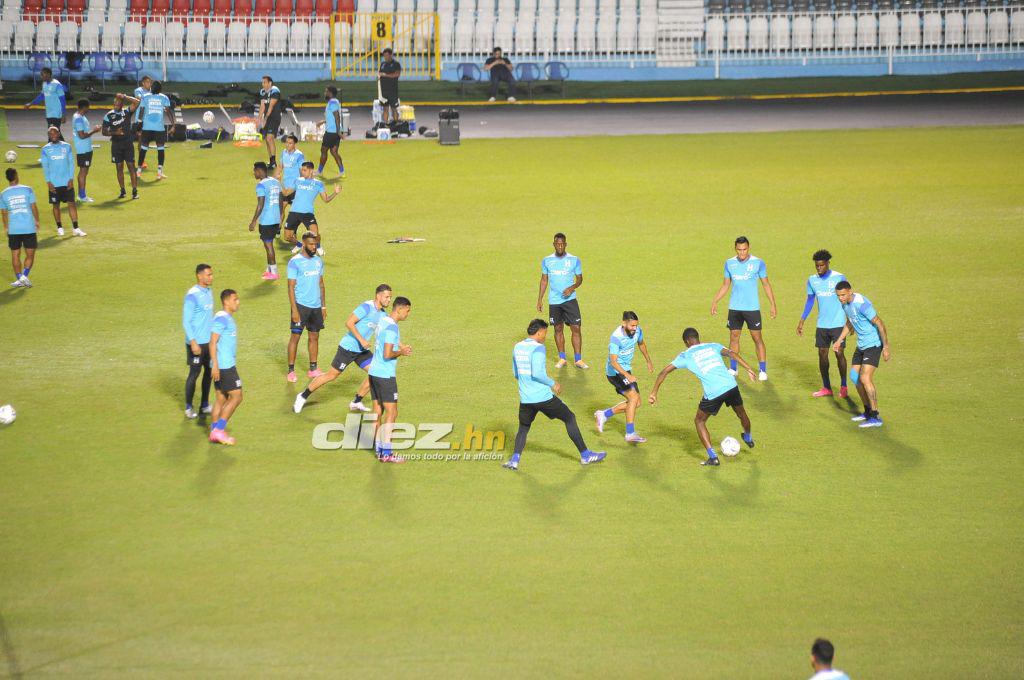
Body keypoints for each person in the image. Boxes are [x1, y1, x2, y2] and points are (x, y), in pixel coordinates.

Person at [504, 319, 606, 471]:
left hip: (526, 398)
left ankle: (514, 460)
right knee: (569, 417)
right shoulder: (538, 348)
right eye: (545, 333)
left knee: (524, 428)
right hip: (543, 397)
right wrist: (553, 384)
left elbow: (516, 373)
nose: (545, 336)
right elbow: (537, 373)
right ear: (539, 332)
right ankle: (585, 455)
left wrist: (527, 386)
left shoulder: (517, 347)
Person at [648, 327, 757, 466]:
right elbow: (732, 354)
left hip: (713, 392)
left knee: (699, 421)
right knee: (742, 413)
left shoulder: (685, 355)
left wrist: (653, 393)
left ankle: (713, 457)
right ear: (698, 337)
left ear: (687, 341)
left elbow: (663, 372)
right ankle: (748, 437)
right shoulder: (713, 345)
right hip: (730, 385)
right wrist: (748, 368)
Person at [294, 284, 391, 414]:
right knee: (331, 375)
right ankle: (302, 396)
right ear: (378, 295)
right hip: (348, 348)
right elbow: (349, 323)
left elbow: (389, 331)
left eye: (390, 297)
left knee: (376, 372)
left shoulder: (383, 314)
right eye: (387, 297)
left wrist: (401, 347)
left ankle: (356, 402)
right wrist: (362, 340)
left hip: (361, 351)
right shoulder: (366, 307)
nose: (389, 300)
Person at [711, 236, 777, 381]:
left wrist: (773, 304)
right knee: (734, 337)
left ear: (749, 248)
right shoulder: (729, 263)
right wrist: (715, 301)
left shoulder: (758, 263)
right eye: (739, 250)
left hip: (752, 308)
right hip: (735, 308)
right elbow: (725, 285)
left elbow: (766, 284)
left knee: (757, 337)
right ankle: (733, 368)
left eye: (745, 249)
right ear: (735, 249)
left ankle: (762, 370)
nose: (742, 253)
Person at [833, 281, 890, 428]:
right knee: (854, 377)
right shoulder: (844, 304)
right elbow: (850, 322)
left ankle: (876, 416)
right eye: (838, 295)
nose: (841, 298)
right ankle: (867, 411)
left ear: (850, 292)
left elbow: (879, 322)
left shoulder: (861, 303)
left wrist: (886, 346)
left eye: (843, 295)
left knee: (865, 378)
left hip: (873, 344)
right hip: (862, 345)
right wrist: (839, 340)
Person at [596, 311, 654, 443]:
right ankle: (630, 433)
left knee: (636, 403)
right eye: (632, 326)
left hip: (626, 370)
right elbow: (613, 362)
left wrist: (648, 360)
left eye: (636, 325)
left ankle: (604, 414)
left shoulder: (638, 331)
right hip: (615, 372)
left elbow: (641, 343)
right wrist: (628, 375)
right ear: (623, 323)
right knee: (633, 397)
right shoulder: (616, 338)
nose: (634, 328)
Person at [797, 249, 849, 398]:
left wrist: (850, 321)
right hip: (822, 325)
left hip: (838, 323)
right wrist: (802, 320)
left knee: (839, 353)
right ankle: (827, 387)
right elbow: (810, 300)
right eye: (817, 266)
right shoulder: (812, 280)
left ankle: (843, 386)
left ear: (827, 263)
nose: (819, 268)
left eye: (821, 265)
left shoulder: (839, 277)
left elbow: (847, 299)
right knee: (822, 354)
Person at [368, 296, 413, 463]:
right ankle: (387, 453)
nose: (408, 314)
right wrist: (401, 352)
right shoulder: (393, 327)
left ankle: (379, 449)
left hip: (373, 372)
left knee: (378, 411)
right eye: (407, 310)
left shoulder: (384, 320)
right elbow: (387, 354)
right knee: (392, 413)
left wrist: (400, 346)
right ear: (399, 309)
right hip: (385, 375)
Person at [537, 232, 586, 369]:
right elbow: (544, 280)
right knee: (558, 328)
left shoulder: (574, 259)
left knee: (576, 328)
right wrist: (540, 299)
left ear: (565, 244)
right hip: (554, 301)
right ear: (554, 244)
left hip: (570, 300)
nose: (559, 246)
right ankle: (562, 358)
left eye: (562, 244)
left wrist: (572, 287)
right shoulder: (546, 260)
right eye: (557, 244)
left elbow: (580, 279)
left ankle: (578, 360)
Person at [286, 232, 326, 383]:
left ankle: (313, 369)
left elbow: (321, 284)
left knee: (314, 337)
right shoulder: (294, 262)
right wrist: (294, 310)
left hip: (316, 306)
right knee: (295, 337)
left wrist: (323, 307)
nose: (313, 246)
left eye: (315, 244)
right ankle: (291, 370)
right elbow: (290, 287)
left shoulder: (318, 261)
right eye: (310, 244)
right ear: (303, 244)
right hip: (301, 306)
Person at [209, 289, 243, 445]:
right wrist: (215, 365)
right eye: (235, 299)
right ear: (226, 301)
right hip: (224, 366)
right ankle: (219, 430)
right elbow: (212, 341)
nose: (238, 302)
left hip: (221, 365)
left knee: (221, 398)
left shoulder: (223, 317)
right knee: (237, 396)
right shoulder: (222, 319)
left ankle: (213, 432)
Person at [284, 162, 339, 255]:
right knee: (287, 237)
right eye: (302, 170)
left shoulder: (318, 184)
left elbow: (326, 199)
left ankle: (318, 246)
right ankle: (299, 244)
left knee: (315, 234)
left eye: (304, 170)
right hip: (294, 212)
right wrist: (278, 182)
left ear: (311, 170)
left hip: (307, 213)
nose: (302, 172)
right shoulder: (298, 180)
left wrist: (335, 193)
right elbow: (286, 193)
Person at [182, 263, 215, 419]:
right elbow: (186, 321)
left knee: (208, 373)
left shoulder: (209, 292)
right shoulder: (192, 295)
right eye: (208, 274)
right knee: (194, 374)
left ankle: (204, 405)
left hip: (208, 343)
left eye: (211, 274)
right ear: (199, 276)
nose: (211, 277)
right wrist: (193, 342)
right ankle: (188, 407)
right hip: (196, 343)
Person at [40, 126, 84, 237]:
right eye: (51, 134)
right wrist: (48, 182)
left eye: (55, 133)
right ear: (49, 136)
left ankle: (76, 228)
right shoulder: (45, 149)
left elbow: (71, 164)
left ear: (59, 134)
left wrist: (70, 179)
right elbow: (45, 167)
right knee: (56, 206)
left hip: (66, 182)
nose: (53, 135)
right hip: (54, 183)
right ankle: (59, 227)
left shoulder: (67, 146)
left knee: (72, 204)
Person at [1, 168, 40, 288]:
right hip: (28, 227)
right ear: (16, 176)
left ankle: (19, 278)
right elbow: (33, 207)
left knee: (15, 255)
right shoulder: (27, 189)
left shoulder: (3, 194)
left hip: (14, 229)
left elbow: (3, 212)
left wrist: (6, 227)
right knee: (30, 254)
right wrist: (37, 220)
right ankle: (24, 276)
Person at [101, 92, 140, 200]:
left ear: (122, 105)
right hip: (116, 145)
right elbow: (103, 132)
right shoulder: (108, 116)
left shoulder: (127, 112)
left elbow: (137, 102)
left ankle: (134, 191)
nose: (116, 106)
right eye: (115, 104)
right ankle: (122, 190)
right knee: (119, 168)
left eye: (118, 104)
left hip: (128, 144)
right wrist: (115, 133)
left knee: (131, 167)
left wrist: (124, 96)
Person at [249, 161, 283, 281]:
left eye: (254, 171)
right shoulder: (276, 182)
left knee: (268, 246)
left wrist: (253, 221)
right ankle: (269, 270)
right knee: (268, 244)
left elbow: (260, 204)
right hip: (275, 218)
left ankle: (274, 272)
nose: (254, 173)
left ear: (259, 171)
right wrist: (281, 217)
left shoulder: (261, 186)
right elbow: (280, 201)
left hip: (266, 220)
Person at [137, 80, 171, 180]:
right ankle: (159, 173)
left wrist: (139, 124)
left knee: (143, 149)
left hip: (147, 127)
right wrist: (173, 124)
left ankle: (138, 172)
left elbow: (141, 111)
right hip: (159, 128)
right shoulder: (164, 98)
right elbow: (168, 112)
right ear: (160, 89)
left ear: (151, 88)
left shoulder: (146, 97)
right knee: (160, 150)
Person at [71, 99, 101, 203]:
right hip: (83, 149)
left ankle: (81, 194)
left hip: (86, 148)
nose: (89, 108)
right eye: (88, 106)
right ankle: (82, 196)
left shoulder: (80, 117)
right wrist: (95, 130)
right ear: (84, 107)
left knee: (84, 171)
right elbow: (82, 135)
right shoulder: (78, 118)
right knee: (83, 172)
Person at [24, 67, 66, 136]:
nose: (41, 76)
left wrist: (63, 114)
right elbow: (41, 96)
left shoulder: (57, 85)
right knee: (55, 135)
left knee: (53, 134)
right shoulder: (44, 84)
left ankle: (63, 146)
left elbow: (63, 100)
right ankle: (63, 146)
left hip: (56, 114)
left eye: (42, 74)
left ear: (48, 74)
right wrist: (30, 104)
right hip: (49, 113)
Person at [316, 86, 345, 178]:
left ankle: (319, 171)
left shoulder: (332, 103)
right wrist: (323, 121)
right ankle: (342, 172)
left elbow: (337, 117)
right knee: (334, 151)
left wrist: (338, 132)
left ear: (330, 93)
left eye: (326, 91)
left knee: (324, 150)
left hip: (331, 132)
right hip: (334, 131)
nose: (325, 93)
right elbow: (332, 118)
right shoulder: (334, 102)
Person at [258, 75, 282, 170]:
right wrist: (259, 118)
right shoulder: (262, 92)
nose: (263, 84)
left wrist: (265, 119)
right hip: (267, 117)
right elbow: (263, 106)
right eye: (262, 82)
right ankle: (271, 161)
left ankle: (273, 163)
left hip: (274, 117)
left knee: (269, 138)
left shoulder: (275, 91)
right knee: (266, 140)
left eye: (264, 82)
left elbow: (271, 107)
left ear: (270, 83)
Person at [277, 134, 304, 218]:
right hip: (284, 186)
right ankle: (277, 229)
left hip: (294, 187)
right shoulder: (283, 152)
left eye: (290, 143)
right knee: (280, 210)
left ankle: (293, 230)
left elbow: (302, 171)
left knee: (295, 213)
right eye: (287, 143)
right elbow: (280, 167)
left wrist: (301, 185)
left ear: (294, 144)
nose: (287, 145)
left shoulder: (299, 155)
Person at [377, 48, 401, 126]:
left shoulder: (396, 64)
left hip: (393, 90)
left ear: (391, 55)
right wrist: (379, 75)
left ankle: (396, 125)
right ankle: (385, 125)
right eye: (384, 56)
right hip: (384, 91)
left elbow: (397, 74)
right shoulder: (383, 64)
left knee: (394, 108)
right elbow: (380, 73)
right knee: (385, 109)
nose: (385, 57)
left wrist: (386, 75)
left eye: (387, 55)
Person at [132, 75, 152, 164]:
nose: (149, 84)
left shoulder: (152, 91)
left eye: (150, 82)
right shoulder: (138, 90)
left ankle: (142, 159)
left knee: (145, 141)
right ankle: (141, 161)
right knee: (141, 139)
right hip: (140, 117)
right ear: (143, 83)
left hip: (149, 118)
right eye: (147, 82)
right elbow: (138, 98)